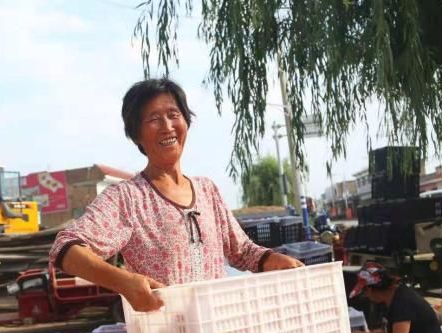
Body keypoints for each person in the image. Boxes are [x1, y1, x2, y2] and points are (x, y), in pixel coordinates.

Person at [50, 78, 302, 311]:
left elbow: (242, 251)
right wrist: (123, 282)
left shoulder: (207, 190)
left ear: (186, 122)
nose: (167, 126)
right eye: (153, 119)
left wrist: (270, 259)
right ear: (136, 133)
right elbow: (65, 249)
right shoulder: (127, 198)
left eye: (174, 114)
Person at [349, 262, 442, 333]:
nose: (366, 296)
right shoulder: (393, 297)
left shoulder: (402, 300)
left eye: (365, 292)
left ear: (370, 289)